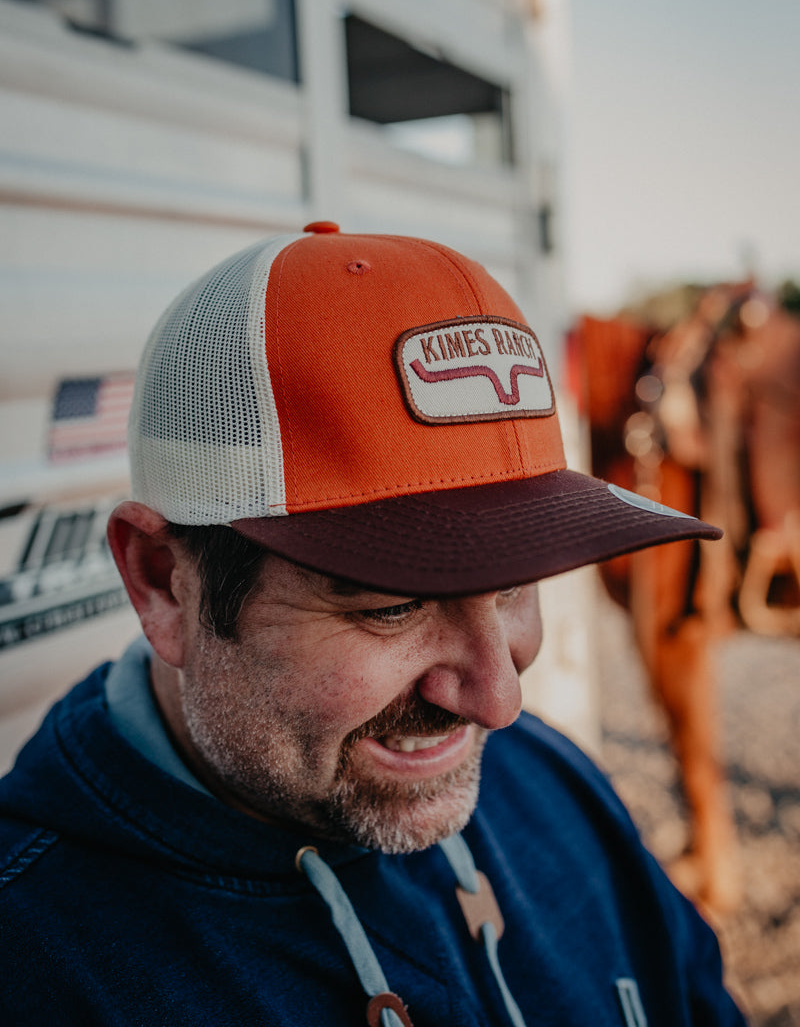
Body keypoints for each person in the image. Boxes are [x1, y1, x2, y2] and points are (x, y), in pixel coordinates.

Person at [0, 224, 745, 1026]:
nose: (499, 702)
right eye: (393, 605)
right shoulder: (36, 963)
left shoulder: (556, 787)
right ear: (163, 583)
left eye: (514, 588)